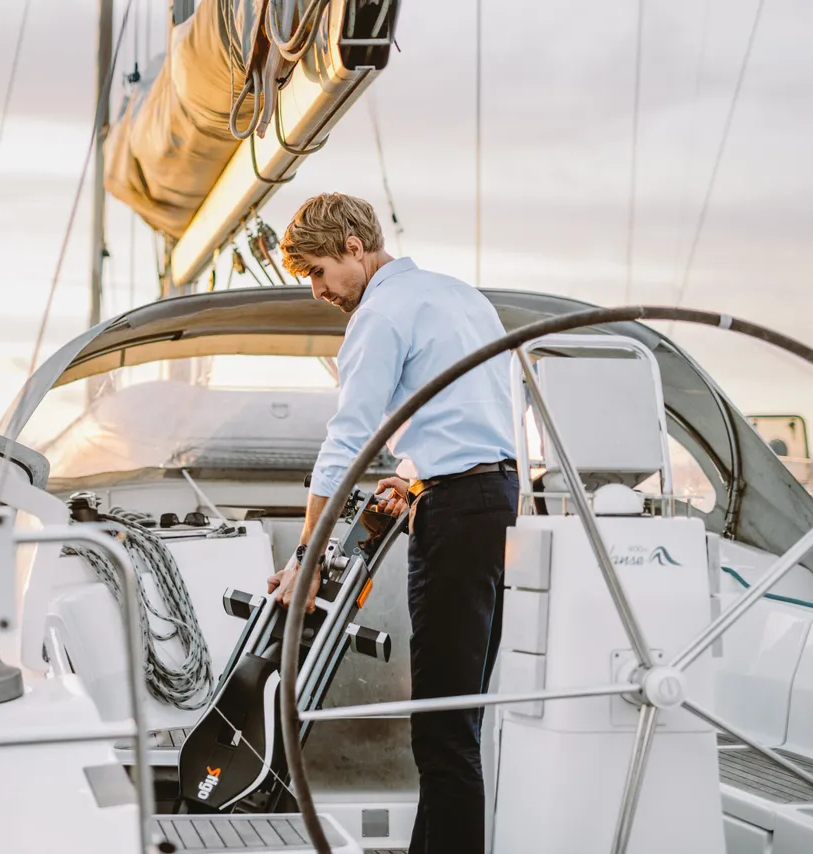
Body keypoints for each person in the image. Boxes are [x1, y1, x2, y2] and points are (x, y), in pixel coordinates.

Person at [265, 192, 519, 854]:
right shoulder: (460, 296)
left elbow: (345, 444)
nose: (317, 290)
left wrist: (307, 558)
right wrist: (412, 475)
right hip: (495, 500)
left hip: (456, 514)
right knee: (453, 722)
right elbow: (472, 414)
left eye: (318, 271)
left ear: (354, 246)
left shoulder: (379, 315)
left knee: (442, 732)